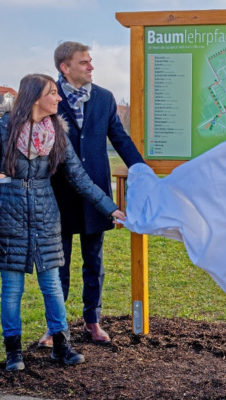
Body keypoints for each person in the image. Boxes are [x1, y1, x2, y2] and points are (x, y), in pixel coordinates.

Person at [0, 74, 126, 371]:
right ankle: (14, 352)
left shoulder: (56, 131)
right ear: (34, 98)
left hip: (46, 215)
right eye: (52, 93)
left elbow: (79, 177)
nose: (58, 98)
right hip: (10, 215)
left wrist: (111, 209)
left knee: (52, 285)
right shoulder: (4, 128)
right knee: (12, 288)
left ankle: (61, 345)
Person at [37, 42, 145, 348]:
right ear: (64, 67)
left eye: (90, 61)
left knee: (94, 262)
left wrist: (142, 170)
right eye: (84, 62)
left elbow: (120, 139)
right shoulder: (49, 98)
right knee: (59, 264)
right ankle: (54, 327)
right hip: (58, 195)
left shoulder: (105, 98)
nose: (91, 66)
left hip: (96, 192)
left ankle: (92, 321)